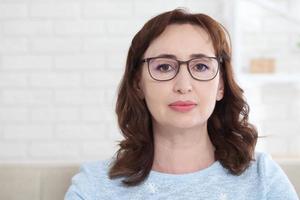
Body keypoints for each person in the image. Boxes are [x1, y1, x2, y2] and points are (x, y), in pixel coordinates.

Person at [65, 9, 299, 200]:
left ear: (220, 86)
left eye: (200, 66)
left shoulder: (262, 178)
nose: (183, 85)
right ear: (138, 84)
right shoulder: (94, 186)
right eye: (164, 67)